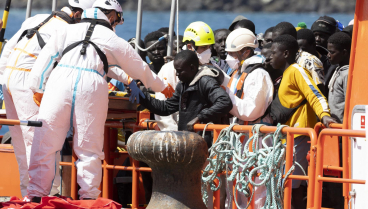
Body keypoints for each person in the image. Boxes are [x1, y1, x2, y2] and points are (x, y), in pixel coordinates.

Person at [26, 0, 174, 202]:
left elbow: (45, 59)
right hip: (92, 84)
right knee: (89, 147)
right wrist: (163, 87)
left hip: (58, 81)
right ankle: (88, 199)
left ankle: (35, 195)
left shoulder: (67, 30)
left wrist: (38, 88)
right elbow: (141, 70)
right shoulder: (112, 39)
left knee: (45, 140)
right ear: (112, 16)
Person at [0, 0, 95, 198]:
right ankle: (46, 195)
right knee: (39, 142)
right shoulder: (69, 30)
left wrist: (3, 81)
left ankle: (28, 192)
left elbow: (8, 49)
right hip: (30, 81)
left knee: (20, 143)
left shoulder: (37, 19)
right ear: (78, 14)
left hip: (9, 78)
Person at [269, 34, 337, 209]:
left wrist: (324, 115)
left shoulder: (296, 70)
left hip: (299, 137)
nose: (269, 56)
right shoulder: (285, 74)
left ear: (285, 53)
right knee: (292, 188)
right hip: (289, 138)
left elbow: (314, 94)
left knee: (291, 186)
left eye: (273, 52)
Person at [223, 28, 274, 208]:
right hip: (239, 138)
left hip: (256, 139)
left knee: (257, 185)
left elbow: (251, 111)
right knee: (236, 183)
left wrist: (224, 89)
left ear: (245, 52)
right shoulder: (238, 72)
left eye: (232, 53)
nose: (228, 57)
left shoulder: (258, 74)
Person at [139, 50, 232, 131]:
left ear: (192, 68)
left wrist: (200, 118)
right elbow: (166, 108)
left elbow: (225, 102)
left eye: (179, 71)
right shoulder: (183, 84)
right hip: (188, 140)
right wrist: (141, 96)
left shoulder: (206, 81)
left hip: (204, 141)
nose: (176, 75)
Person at [273, 22, 326, 96]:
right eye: (273, 41)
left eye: (279, 41)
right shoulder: (277, 59)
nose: (274, 45)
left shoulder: (310, 61)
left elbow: (319, 94)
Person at [327, 32, 351, 123]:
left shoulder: (347, 74)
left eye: (332, 52)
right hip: (335, 127)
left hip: (342, 128)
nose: (328, 55)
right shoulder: (338, 70)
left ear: (344, 52)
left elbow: (349, 103)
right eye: (328, 51)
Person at [296, 29, 326, 95]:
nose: (301, 52)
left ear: (314, 45)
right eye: (298, 49)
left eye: (304, 49)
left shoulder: (312, 61)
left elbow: (319, 90)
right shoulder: (296, 58)